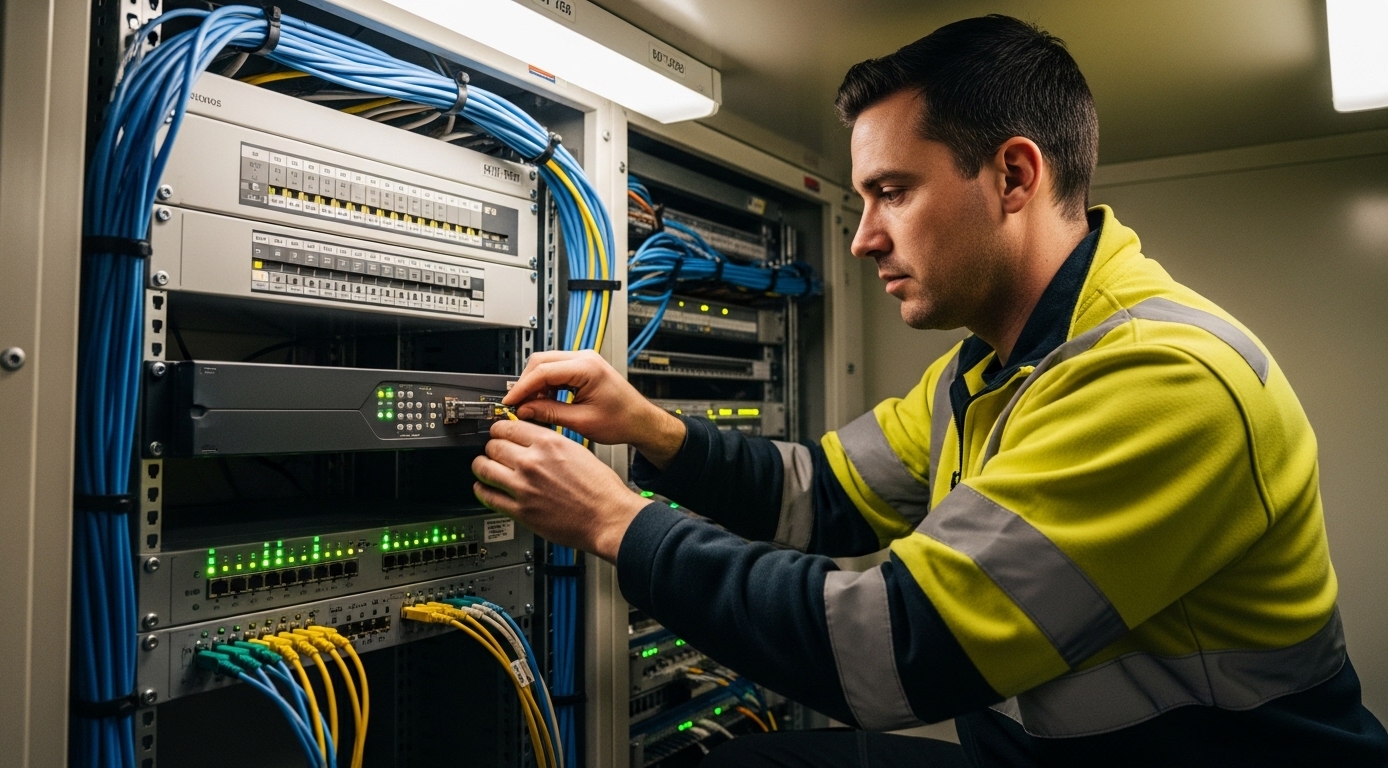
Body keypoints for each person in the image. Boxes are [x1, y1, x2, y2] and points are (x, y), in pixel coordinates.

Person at [470, 14, 1388, 767]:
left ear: (1014, 176)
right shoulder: (990, 367)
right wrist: (652, 430)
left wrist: (614, 523)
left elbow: (886, 651)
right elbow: (821, 497)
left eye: (892, 191)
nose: (864, 235)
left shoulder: (1162, 379)